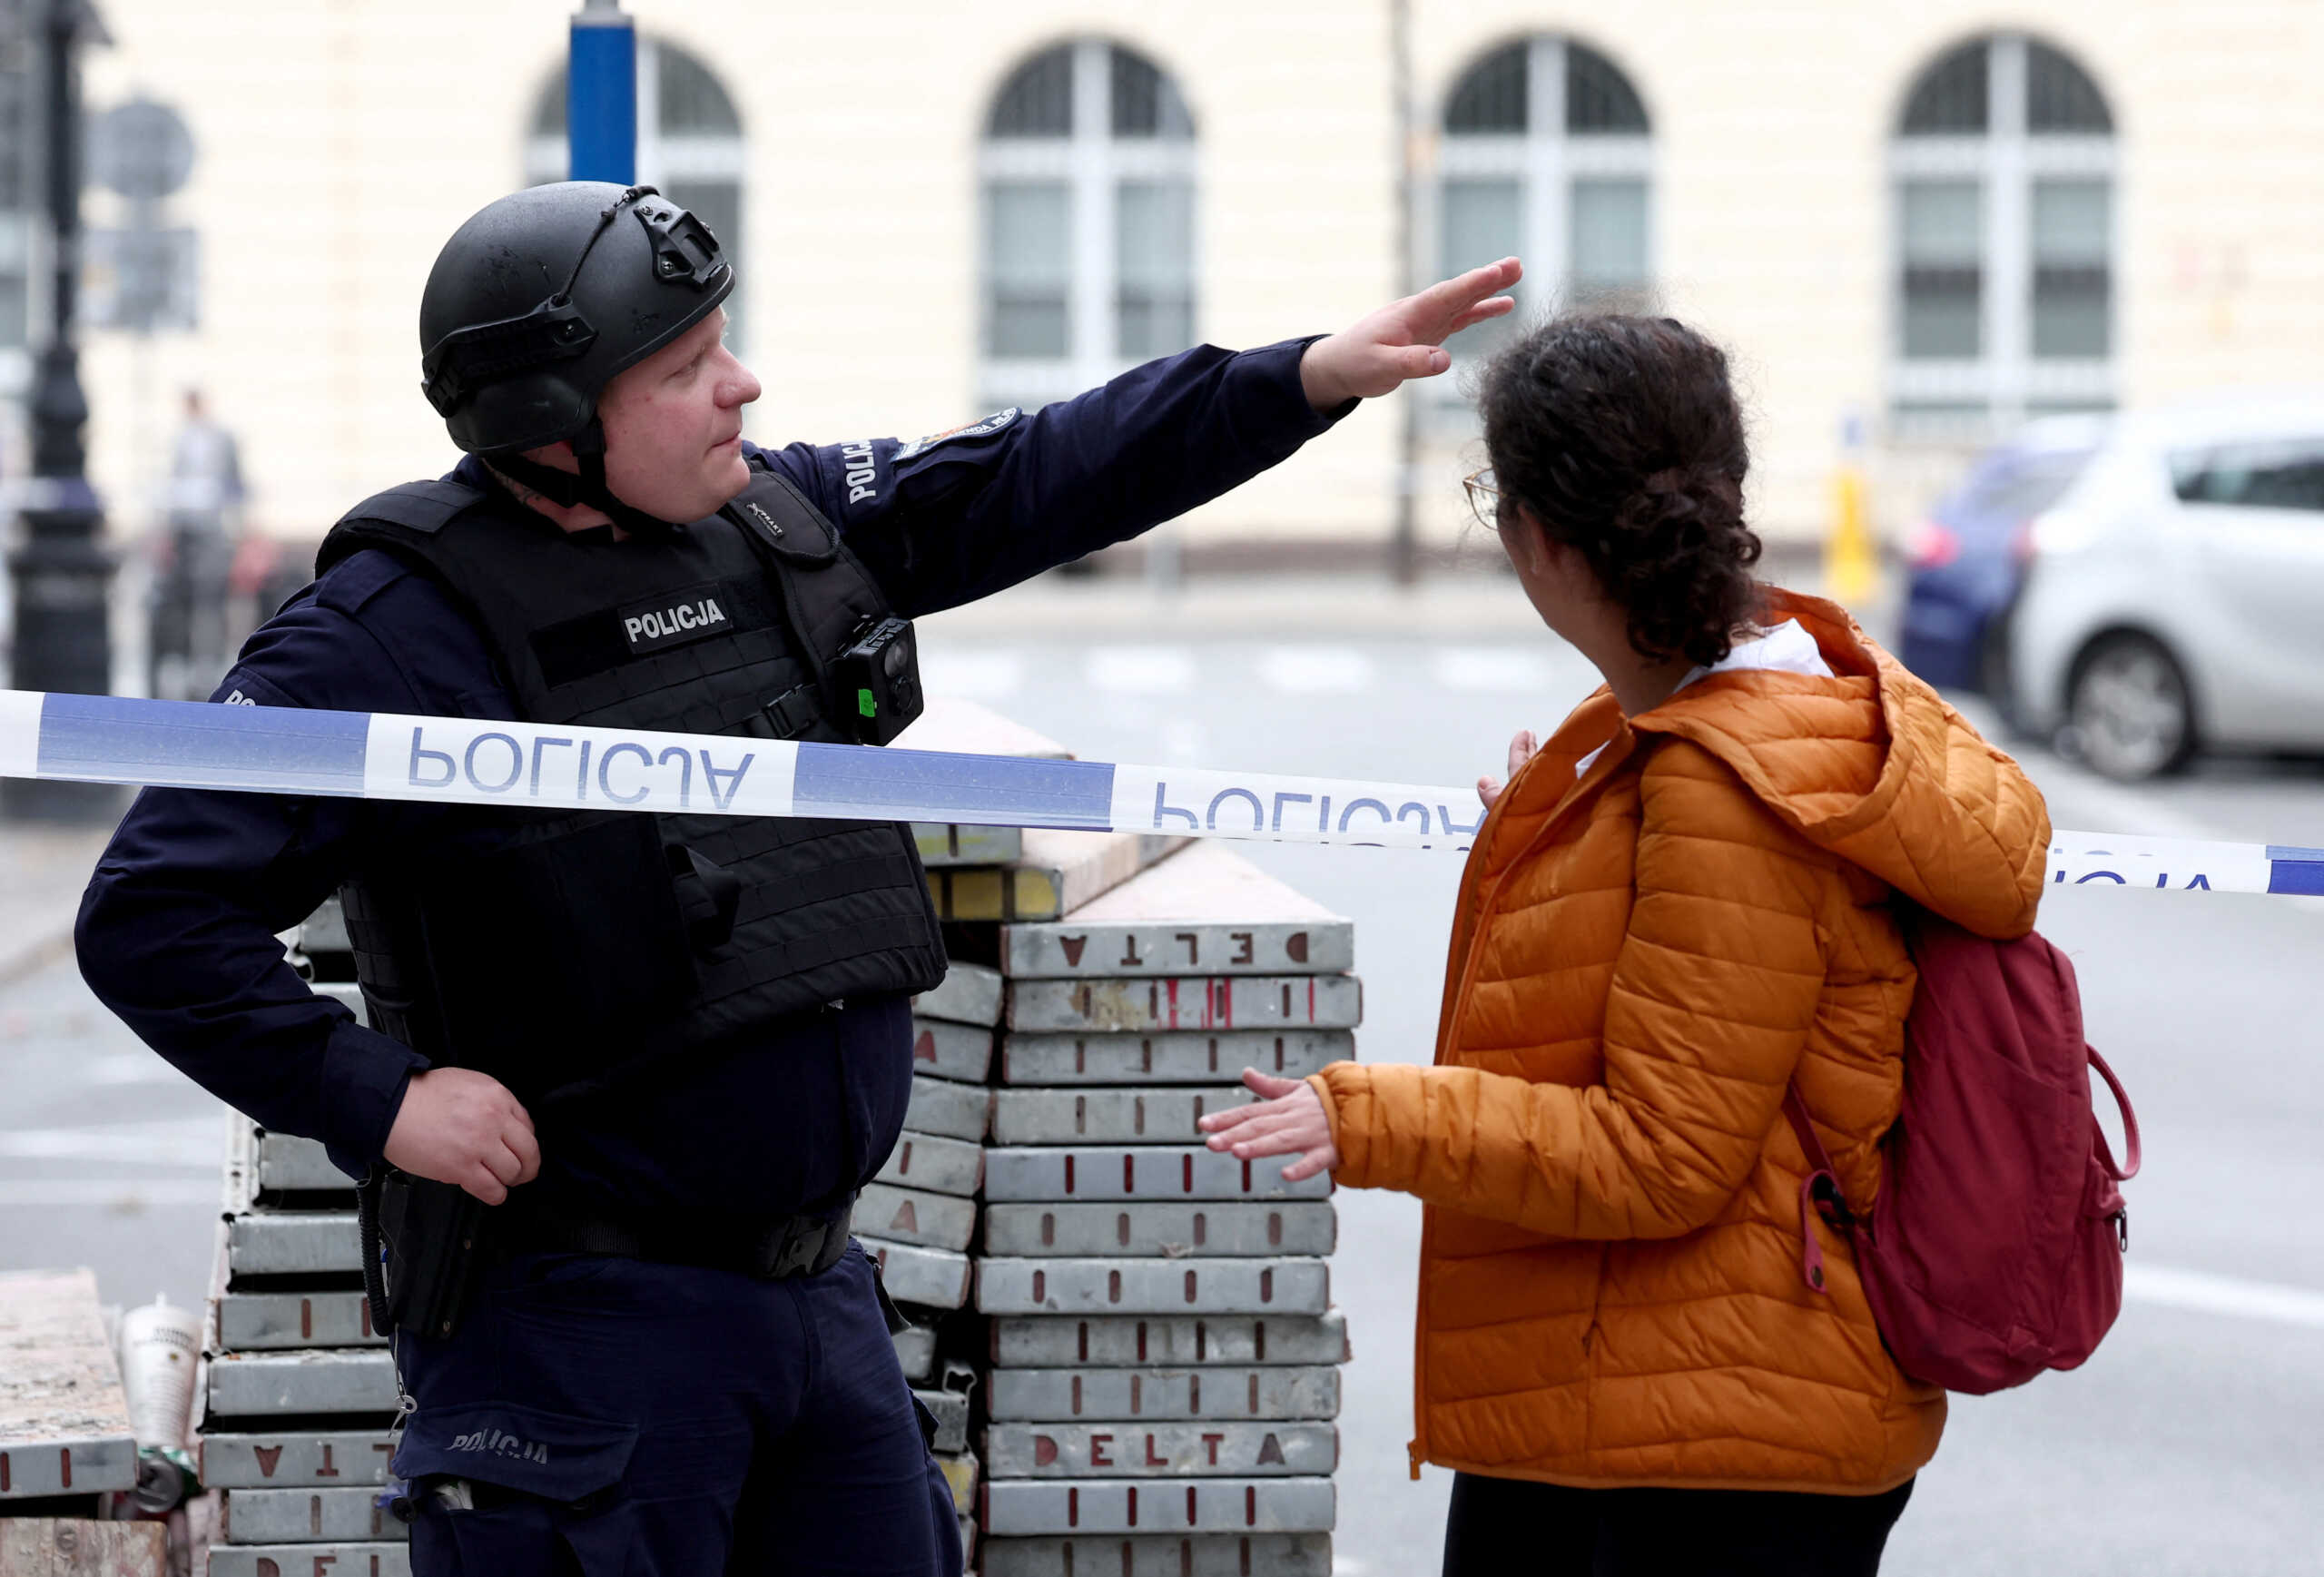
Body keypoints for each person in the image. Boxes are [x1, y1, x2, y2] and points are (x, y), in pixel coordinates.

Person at [74, 180, 1516, 1577]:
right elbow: (149, 916)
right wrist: (380, 1100)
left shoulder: (774, 527)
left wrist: (1301, 379)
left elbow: (1033, 474)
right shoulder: (391, 636)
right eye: (689, 365)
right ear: (553, 422)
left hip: (817, 1310)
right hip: (580, 1342)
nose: (743, 387)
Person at [1201, 314, 2051, 1576]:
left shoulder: (1724, 778)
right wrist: (1563, 840)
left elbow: (1662, 1157)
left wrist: (1364, 1118)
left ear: (1537, 538)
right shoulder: (1706, 719)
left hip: (1698, 1449)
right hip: (1651, 1403)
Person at [147, 388, 246, 700]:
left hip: (211, 530)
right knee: (180, 603)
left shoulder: (220, 438)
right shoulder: (181, 439)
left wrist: (239, 530)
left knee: (210, 600)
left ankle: (208, 664)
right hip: (183, 531)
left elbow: (235, 484)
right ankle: (187, 662)